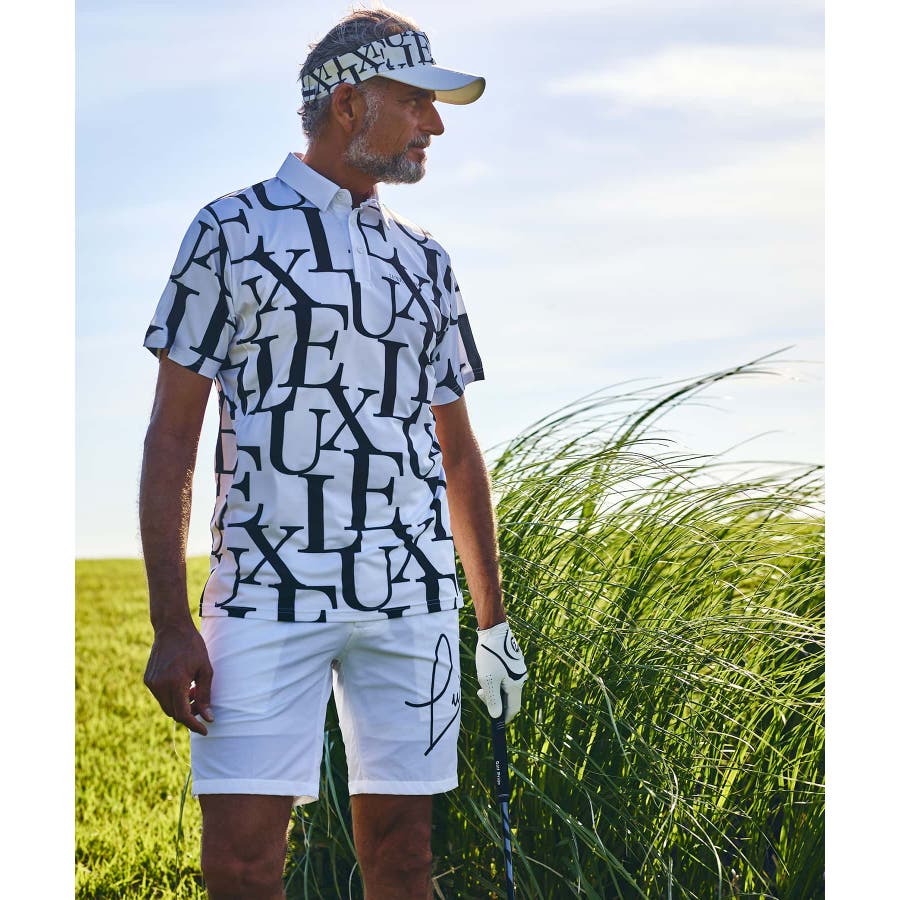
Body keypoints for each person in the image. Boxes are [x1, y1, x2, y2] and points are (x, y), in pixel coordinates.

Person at [139, 7, 528, 899]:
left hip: (411, 600)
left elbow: (457, 451)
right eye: (417, 102)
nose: (434, 126)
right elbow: (171, 436)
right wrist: (169, 621)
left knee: (406, 858)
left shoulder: (427, 261)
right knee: (241, 866)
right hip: (265, 596)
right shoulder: (228, 231)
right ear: (350, 105)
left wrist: (493, 623)